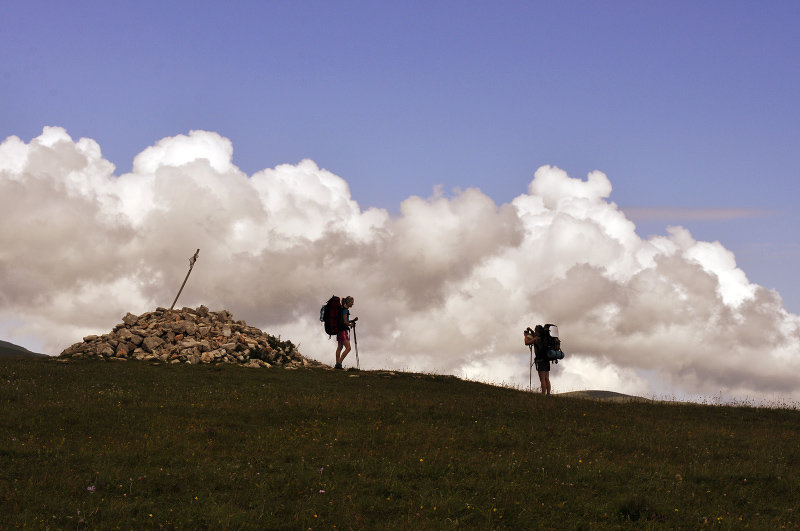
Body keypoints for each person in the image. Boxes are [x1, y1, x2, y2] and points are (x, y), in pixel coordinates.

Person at [334, 296, 357, 370]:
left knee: (340, 347)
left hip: (339, 330)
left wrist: (352, 320)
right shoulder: (345, 310)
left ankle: (337, 364)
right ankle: (339, 363)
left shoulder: (342, 309)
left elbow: (343, 321)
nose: (353, 304)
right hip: (343, 331)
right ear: (348, 302)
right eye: (352, 302)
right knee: (348, 348)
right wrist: (351, 324)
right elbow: (345, 322)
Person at [532, 325, 552, 395]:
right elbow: (535, 335)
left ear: (537, 331)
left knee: (542, 379)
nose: (534, 332)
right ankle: (548, 394)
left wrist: (525, 336)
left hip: (540, 360)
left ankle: (543, 394)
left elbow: (527, 342)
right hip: (547, 360)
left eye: (535, 331)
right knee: (547, 378)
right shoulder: (544, 338)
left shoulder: (537, 339)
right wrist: (531, 330)